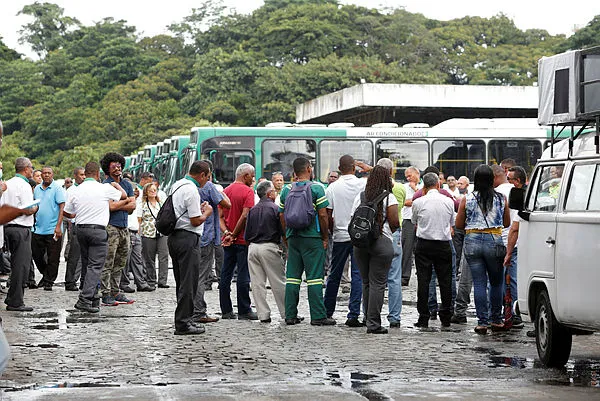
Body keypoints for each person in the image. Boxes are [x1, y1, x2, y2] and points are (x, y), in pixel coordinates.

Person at [63, 162, 128, 313]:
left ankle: (92, 298)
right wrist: (116, 185)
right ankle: (84, 299)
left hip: (81, 229)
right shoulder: (104, 188)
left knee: (87, 264)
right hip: (98, 230)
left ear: (85, 174)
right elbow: (124, 196)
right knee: (96, 266)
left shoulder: (76, 190)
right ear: (98, 174)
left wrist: (77, 215)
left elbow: (67, 212)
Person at [456, 164, 510, 334]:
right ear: (492, 179)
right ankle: (496, 319)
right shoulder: (501, 198)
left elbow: (458, 224)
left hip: (472, 241)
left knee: (479, 283)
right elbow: (507, 223)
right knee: (496, 282)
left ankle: (482, 322)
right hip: (494, 239)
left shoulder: (467, 199)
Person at [279, 157, 333, 326]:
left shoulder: (286, 190)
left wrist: (286, 236)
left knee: (292, 278)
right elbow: (323, 215)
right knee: (315, 278)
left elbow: (281, 215)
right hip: (312, 238)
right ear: (309, 169)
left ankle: (290, 315)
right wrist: (325, 237)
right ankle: (317, 316)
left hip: (293, 237)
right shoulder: (317, 188)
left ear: (294, 172)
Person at [351, 165, 399, 334]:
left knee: (366, 283)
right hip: (381, 242)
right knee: (378, 284)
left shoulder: (361, 196)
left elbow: (353, 218)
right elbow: (394, 222)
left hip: (361, 243)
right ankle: (374, 324)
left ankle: (366, 318)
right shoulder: (389, 198)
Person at [167, 161, 213, 335]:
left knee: (181, 281)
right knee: (189, 282)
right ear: (201, 175)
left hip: (174, 237)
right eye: (207, 177)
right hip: (188, 238)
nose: (206, 181)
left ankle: (183, 318)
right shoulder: (192, 190)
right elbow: (195, 220)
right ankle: (184, 323)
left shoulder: (177, 185)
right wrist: (206, 212)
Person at [324, 155, 366, 327]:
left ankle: (327, 311)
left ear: (339, 169)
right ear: (354, 168)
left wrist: (331, 230)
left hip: (340, 234)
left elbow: (327, 214)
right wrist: (367, 168)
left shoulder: (333, 187)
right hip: (359, 235)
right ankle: (353, 314)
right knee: (358, 275)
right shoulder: (363, 184)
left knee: (334, 274)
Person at [411, 173, 455, 328]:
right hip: (443, 244)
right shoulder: (448, 201)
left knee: (423, 281)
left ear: (424, 186)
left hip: (424, 244)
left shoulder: (418, 202)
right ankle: (446, 316)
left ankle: (423, 316)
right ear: (438, 185)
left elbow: (414, 221)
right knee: (445, 281)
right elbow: (452, 222)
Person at [192, 160, 229, 324]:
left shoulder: (190, 186)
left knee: (193, 275)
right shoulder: (209, 186)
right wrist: (221, 192)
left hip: (194, 235)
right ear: (207, 174)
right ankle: (199, 311)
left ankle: (191, 308)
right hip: (207, 237)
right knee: (202, 276)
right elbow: (226, 204)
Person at [220, 163, 258, 320]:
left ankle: (226, 310)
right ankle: (244, 310)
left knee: (225, 274)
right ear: (246, 175)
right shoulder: (248, 191)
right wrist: (235, 234)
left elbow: (220, 216)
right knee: (243, 275)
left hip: (228, 239)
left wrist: (227, 232)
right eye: (252, 175)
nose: (253, 179)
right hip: (242, 239)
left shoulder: (225, 191)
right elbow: (245, 215)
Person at [245, 180, 286, 323]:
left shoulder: (253, 210)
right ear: (269, 194)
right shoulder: (275, 209)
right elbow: (282, 231)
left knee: (257, 283)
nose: (275, 193)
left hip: (253, 247)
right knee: (278, 281)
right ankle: (286, 312)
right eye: (274, 191)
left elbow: (247, 234)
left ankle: (263, 314)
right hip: (269, 246)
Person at [100, 152, 137, 306]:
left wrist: (123, 202)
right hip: (111, 227)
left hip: (124, 227)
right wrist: (127, 200)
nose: (117, 167)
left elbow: (132, 207)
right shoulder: (106, 185)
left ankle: (116, 291)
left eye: (119, 164)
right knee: (108, 261)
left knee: (120, 262)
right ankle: (105, 293)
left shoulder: (127, 184)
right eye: (113, 165)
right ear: (107, 168)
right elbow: (110, 206)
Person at [1, 157, 38, 311]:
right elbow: (28, 209)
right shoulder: (24, 185)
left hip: (7, 227)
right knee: (20, 266)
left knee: (15, 263)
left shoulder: (7, 183)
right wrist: (36, 207)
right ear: (26, 169)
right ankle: (16, 301)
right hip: (21, 228)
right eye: (31, 168)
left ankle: (12, 296)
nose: (32, 171)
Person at [32, 167, 66, 291]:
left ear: (52, 174)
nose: (46, 175)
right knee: (37, 255)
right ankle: (46, 275)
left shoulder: (57, 188)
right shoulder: (37, 188)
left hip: (53, 229)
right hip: (38, 228)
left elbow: (62, 207)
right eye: (44, 173)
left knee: (53, 257)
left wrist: (58, 227)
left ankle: (48, 281)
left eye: (48, 173)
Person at [503, 165, 528, 329]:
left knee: (513, 280)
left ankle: (516, 313)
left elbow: (515, 227)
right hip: (518, 241)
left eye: (510, 179)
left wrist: (509, 251)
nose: (508, 182)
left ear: (517, 181)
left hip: (516, 242)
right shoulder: (516, 192)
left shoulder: (520, 195)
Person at [120, 181, 153, 293]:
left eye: (137, 190)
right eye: (133, 191)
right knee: (126, 259)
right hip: (127, 231)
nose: (135, 192)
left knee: (137, 259)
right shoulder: (124, 202)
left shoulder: (138, 202)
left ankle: (141, 282)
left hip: (135, 232)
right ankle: (124, 283)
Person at [138, 182, 169, 290]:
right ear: (146, 192)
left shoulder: (161, 203)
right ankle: (151, 280)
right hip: (148, 233)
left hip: (162, 232)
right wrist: (139, 233)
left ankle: (162, 280)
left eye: (154, 190)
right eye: (150, 190)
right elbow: (139, 220)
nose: (153, 192)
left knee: (164, 256)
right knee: (149, 258)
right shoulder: (142, 205)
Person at [64, 167, 85, 291]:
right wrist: (74, 216)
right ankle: (70, 281)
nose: (83, 177)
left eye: (84, 175)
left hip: (86, 225)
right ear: (75, 176)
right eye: (81, 175)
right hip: (76, 224)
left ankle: (82, 281)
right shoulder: (71, 190)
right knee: (74, 256)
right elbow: (66, 210)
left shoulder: (86, 188)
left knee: (84, 257)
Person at [400, 166, 421, 286]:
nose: (408, 178)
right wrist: (417, 200)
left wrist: (415, 191)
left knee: (421, 250)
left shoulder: (425, 185)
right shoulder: (404, 187)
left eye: (410, 175)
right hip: (408, 220)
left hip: (422, 221)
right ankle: (404, 277)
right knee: (406, 249)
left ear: (417, 173)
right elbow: (404, 202)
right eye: (406, 176)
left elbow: (425, 199)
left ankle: (422, 274)